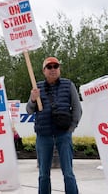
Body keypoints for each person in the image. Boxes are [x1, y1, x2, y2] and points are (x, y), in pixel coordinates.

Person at [26, 57, 82, 194]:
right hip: (43, 136)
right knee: (43, 174)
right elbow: (29, 110)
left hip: (63, 135)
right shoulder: (37, 87)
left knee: (68, 173)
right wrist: (33, 99)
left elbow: (77, 109)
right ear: (44, 71)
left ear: (59, 69)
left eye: (55, 66)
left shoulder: (68, 85)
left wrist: (70, 129)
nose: (53, 69)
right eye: (49, 67)